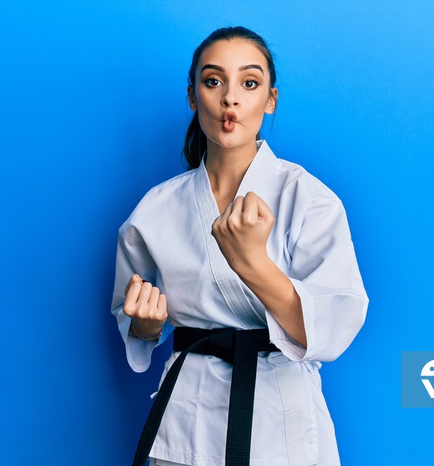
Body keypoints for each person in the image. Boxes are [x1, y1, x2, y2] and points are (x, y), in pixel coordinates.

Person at [111, 26, 368, 466]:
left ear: (270, 99)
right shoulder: (155, 209)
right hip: (189, 415)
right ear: (193, 97)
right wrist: (147, 326)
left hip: (280, 416)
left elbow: (331, 329)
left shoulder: (308, 198)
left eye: (249, 84)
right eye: (214, 81)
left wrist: (253, 264)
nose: (230, 98)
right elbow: (135, 325)